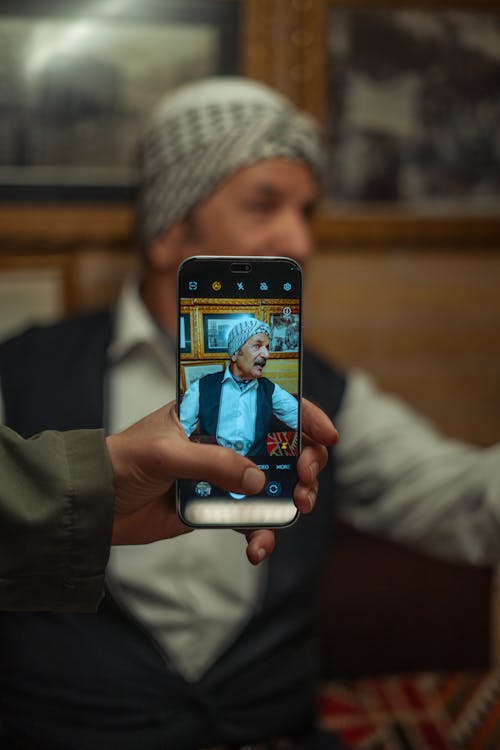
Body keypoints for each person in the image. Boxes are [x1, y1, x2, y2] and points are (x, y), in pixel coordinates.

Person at [0, 76, 498, 749]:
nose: (300, 240)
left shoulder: (322, 391)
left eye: (307, 212)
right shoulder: (22, 370)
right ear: (170, 230)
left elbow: (459, 495)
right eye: (263, 204)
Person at [0, 401, 334, 613]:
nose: (262, 352)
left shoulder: (317, 384)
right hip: (90, 693)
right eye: (255, 345)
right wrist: (97, 492)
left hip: (269, 700)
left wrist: (96, 505)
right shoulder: (27, 357)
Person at [180, 318, 298, 455]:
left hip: (257, 470)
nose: (266, 354)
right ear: (236, 353)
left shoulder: (270, 390)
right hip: (213, 469)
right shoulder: (202, 387)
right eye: (257, 346)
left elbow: (301, 419)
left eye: (267, 347)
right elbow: (179, 432)